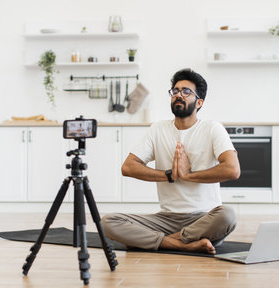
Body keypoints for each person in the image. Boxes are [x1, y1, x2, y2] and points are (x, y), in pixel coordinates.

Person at [101, 68, 240, 254]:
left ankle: (163, 241)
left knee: (228, 215)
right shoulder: (158, 129)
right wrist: (169, 175)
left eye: (186, 92)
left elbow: (232, 170)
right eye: (175, 91)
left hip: (205, 219)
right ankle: (185, 243)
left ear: (199, 102)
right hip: (166, 219)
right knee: (108, 222)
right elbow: (128, 167)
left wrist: (188, 176)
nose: (178, 95)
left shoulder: (212, 128)